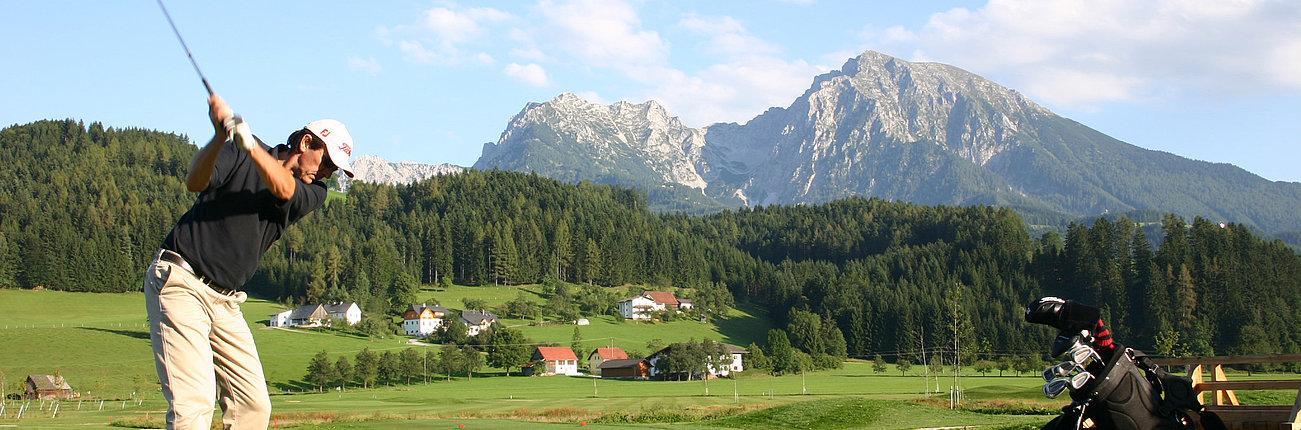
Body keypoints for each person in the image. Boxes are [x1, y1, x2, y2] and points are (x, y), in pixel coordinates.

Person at [143, 93, 354, 429]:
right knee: (194, 404)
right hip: (180, 282)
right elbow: (194, 182)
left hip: (226, 301)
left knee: (253, 406)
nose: (328, 173)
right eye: (327, 162)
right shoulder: (242, 150)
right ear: (305, 142)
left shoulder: (314, 191)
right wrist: (219, 138)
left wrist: (248, 144)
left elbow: (283, 189)